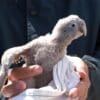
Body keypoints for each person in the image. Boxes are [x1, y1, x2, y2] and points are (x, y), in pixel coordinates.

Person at [0, 0, 100, 100]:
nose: (81, 28)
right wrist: (4, 89)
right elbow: (8, 59)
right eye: (74, 26)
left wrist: (89, 74)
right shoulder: (40, 44)